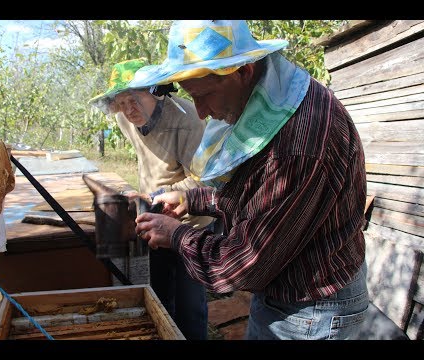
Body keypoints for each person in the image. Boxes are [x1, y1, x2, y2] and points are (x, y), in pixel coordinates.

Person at [131, 20, 369, 340]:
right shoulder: (271, 97)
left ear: (241, 71)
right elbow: (258, 194)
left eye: (204, 95)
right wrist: (192, 200)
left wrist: (176, 236)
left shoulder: (296, 147)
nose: (200, 113)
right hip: (286, 285)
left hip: (312, 310)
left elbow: (243, 264)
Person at [89, 58, 214, 340]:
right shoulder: (125, 118)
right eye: (120, 103)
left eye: (134, 99)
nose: (128, 110)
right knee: (157, 292)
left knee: (189, 301)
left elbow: (204, 180)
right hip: (153, 215)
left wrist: (152, 195)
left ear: (156, 91)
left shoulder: (189, 120)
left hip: (190, 222)